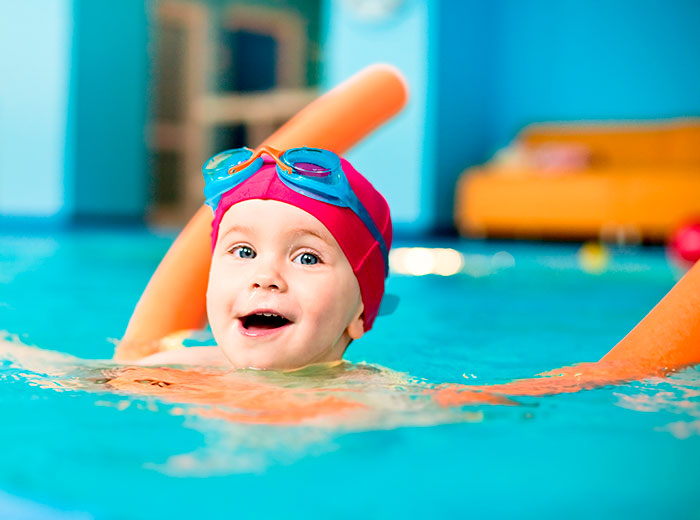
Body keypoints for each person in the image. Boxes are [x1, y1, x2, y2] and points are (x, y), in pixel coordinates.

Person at [137, 145, 392, 371]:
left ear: (359, 315)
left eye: (307, 259)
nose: (265, 277)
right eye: (244, 252)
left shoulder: (375, 400)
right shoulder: (171, 372)